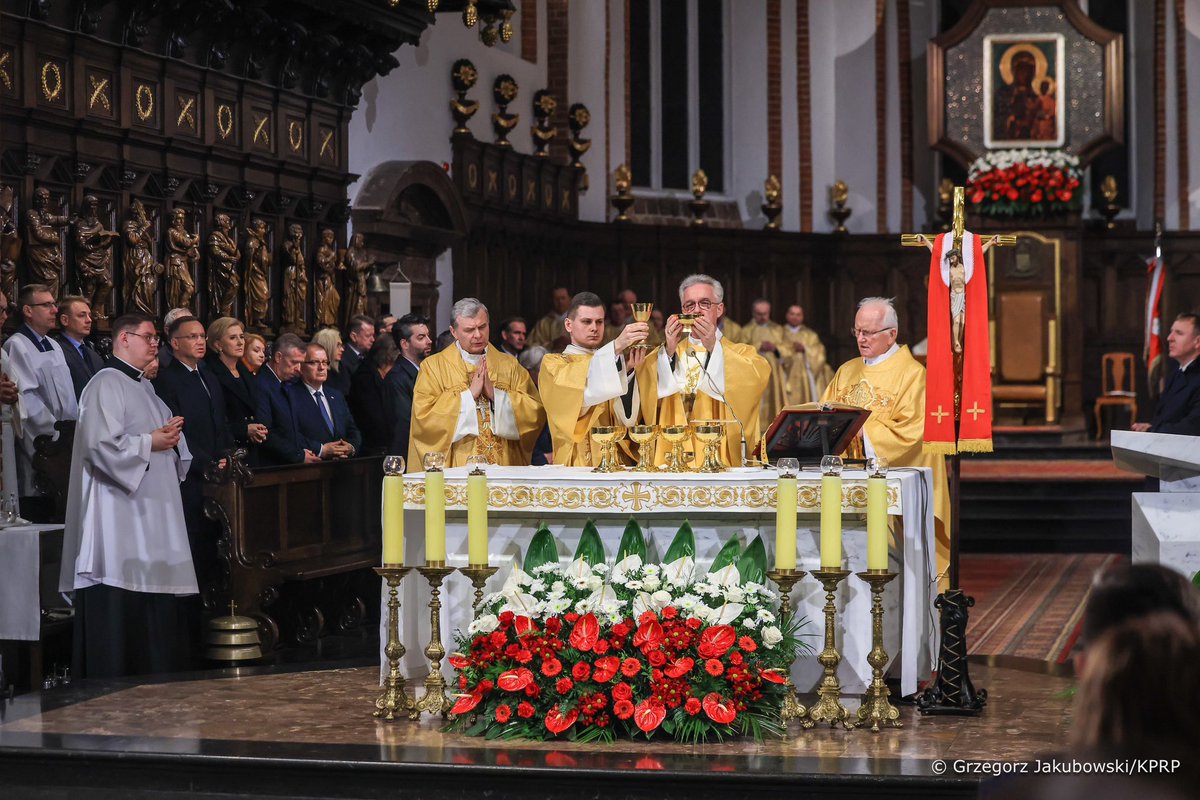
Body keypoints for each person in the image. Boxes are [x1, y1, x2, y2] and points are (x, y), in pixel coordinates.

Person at [59, 313, 196, 679]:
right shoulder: (106, 383)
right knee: (123, 593)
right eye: (149, 337)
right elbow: (98, 447)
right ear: (123, 339)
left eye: (155, 338)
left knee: (152, 596)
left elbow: (162, 439)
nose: (155, 344)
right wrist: (151, 441)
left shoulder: (144, 387)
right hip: (119, 517)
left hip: (150, 516)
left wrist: (170, 437)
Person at [821, 297, 950, 583]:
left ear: (892, 334)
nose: (862, 339)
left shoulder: (913, 375)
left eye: (869, 332)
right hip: (845, 484)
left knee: (895, 575)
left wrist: (862, 431)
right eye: (857, 332)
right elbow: (824, 416)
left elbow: (913, 434)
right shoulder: (847, 370)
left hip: (890, 489)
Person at [408, 298, 545, 467]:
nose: (478, 335)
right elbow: (424, 420)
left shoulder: (509, 365)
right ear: (454, 332)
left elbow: (535, 412)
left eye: (482, 327)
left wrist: (497, 395)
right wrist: (468, 396)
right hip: (459, 466)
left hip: (504, 465)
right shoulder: (433, 367)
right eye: (469, 329)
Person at [654, 275, 771, 468]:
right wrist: (668, 352)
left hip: (723, 460)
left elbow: (756, 379)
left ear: (720, 309)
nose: (697, 310)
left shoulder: (743, 354)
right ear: (682, 311)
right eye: (689, 305)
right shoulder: (669, 352)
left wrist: (714, 348)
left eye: (705, 303)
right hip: (675, 459)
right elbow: (645, 395)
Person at [152, 315, 232, 594]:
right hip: (191, 475)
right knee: (193, 541)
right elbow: (176, 432)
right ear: (174, 343)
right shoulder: (166, 379)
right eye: (192, 337)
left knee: (217, 544)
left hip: (218, 472)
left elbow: (219, 421)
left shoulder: (208, 374)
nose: (200, 342)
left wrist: (226, 457)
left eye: (202, 336)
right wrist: (206, 464)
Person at [539, 292, 655, 466]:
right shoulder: (554, 364)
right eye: (587, 321)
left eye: (599, 322)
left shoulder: (613, 361)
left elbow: (627, 419)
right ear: (569, 325)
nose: (594, 328)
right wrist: (615, 347)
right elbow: (580, 402)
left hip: (616, 460)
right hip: (579, 459)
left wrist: (628, 371)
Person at [3, 284, 78, 518]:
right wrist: (55, 437)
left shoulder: (54, 345)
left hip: (65, 441)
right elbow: (27, 399)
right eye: (46, 305)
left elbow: (68, 395)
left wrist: (74, 431)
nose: (54, 309)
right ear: (27, 310)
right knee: (40, 501)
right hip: (43, 444)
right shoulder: (17, 345)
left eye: (54, 304)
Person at [204, 317, 268, 463]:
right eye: (233, 338)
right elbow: (215, 419)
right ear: (218, 344)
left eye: (241, 337)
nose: (240, 342)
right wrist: (244, 429)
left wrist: (256, 430)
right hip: (227, 451)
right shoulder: (211, 373)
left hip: (250, 448)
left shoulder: (244, 370)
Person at [255, 333, 320, 466]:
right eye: (294, 362)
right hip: (271, 466)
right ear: (278, 357)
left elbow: (290, 430)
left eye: (301, 363)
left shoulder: (286, 383)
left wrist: (301, 451)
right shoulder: (261, 384)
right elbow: (265, 432)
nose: (298, 369)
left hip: (288, 462)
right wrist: (298, 455)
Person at [1132, 311, 1200, 436]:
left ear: (1197, 342)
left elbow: (1192, 427)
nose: (1169, 338)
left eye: (1179, 333)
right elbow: (1168, 418)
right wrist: (1152, 427)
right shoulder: (1177, 372)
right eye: (1171, 331)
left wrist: (1152, 431)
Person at [288, 343, 361, 459]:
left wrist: (350, 447)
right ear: (300, 366)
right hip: (310, 467)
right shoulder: (291, 395)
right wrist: (321, 449)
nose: (322, 367)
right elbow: (290, 434)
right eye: (314, 362)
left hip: (342, 467)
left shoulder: (336, 395)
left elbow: (352, 429)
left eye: (325, 362)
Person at [740, 299, 792, 431]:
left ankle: (775, 428)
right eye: (759, 314)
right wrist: (758, 346)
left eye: (765, 313)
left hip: (774, 373)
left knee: (775, 401)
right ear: (753, 313)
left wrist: (775, 348)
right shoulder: (746, 331)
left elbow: (788, 351)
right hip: (754, 374)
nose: (763, 317)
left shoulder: (778, 329)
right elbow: (740, 352)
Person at [386, 314, 432, 461]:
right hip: (410, 455)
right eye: (421, 338)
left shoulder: (427, 371)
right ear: (405, 344)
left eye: (428, 336)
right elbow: (404, 424)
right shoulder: (397, 378)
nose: (429, 341)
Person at [350, 336, 400, 456]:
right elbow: (373, 417)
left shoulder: (376, 374)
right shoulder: (365, 378)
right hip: (371, 447)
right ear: (388, 358)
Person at [54, 296, 105, 400]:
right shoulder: (56, 351)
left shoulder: (93, 354)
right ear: (65, 320)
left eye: (89, 315)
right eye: (82, 315)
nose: (89, 320)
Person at [781, 304, 832, 405]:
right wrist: (790, 350)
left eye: (798, 314)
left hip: (806, 375)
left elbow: (819, 353)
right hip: (786, 373)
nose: (795, 317)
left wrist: (805, 349)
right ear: (787, 315)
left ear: (802, 317)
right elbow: (776, 349)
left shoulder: (810, 335)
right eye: (792, 314)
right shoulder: (779, 332)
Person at [520, 346, 553, 466]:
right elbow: (526, 434)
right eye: (542, 371)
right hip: (535, 459)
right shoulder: (522, 396)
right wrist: (543, 456)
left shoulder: (548, 390)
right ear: (528, 371)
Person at [528, 286, 571, 352]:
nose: (560, 302)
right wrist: (552, 344)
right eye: (556, 299)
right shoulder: (543, 323)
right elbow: (531, 344)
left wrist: (571, 343)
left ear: (570, 299)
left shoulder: (578, 320)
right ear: (551, 301)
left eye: (563, 298)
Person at [314, 327, 351, 398]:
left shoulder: (342, 368)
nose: (342, 349)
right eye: (338, 345)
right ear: (327, 346)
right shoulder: (315, 371)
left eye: (342, 345)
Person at [342, 314, 376, 383]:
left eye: (373, 335)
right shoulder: (342, 359)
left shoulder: (371, 356)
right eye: (368, 335)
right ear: (354, 337)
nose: (373, 339)